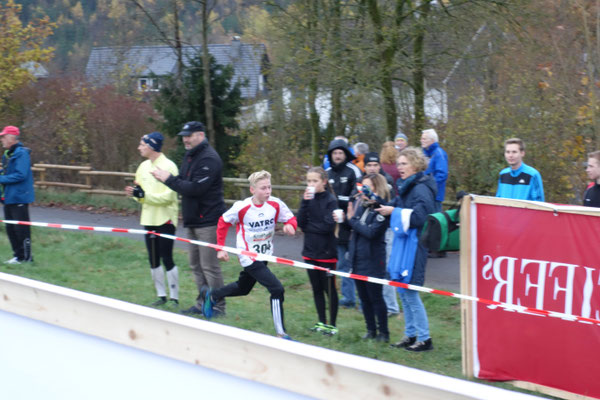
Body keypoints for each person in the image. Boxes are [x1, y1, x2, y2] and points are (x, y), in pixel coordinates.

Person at [203, 171, 297, 339]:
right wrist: (220, 248)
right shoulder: (242, 207)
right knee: (277, 289)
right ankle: (281, 333)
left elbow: (290, 218)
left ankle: (213, 295)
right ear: (252, 190)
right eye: (263, 188)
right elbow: (223, 222)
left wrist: (291, 226)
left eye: (269, 187)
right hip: (248, 256)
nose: (268, 191)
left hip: (265, 255)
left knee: (243, 288)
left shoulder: (275, 204)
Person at [151, 121, 226, 316]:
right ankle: (203, 304)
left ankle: (217, 307)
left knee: (210, 266)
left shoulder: (210, 159)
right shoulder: (190, 156)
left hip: (208, 221)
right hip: (193, 219)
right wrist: (167, 179)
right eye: (183, 135)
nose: (185, 139)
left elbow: (195, 189)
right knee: (196, 265)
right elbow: (183, 183)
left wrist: (168, 179)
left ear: (200, 135)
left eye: (189, 135)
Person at [377, 147, 437, 352]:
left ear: (415, 165)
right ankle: (410, 334)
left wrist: (394, 211)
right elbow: (395, 204)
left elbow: (420, 217)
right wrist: (377, 203)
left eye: (403, 164)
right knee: (402, 289)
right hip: (405, 244)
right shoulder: (406, 185)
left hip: (416, 246)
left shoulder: (421, 188)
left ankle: (425, 338)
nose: (399, 167)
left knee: (410, 292)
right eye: (398, 164)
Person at [125, 132, 179, 307]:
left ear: (152, 146)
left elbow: (169, 197)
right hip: (148, 218)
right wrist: (136, 195)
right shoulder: (142, 167)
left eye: (142, 144)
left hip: (165, 219)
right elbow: (139, 193)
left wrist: (145, 197)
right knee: (153, 258)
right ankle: (161, 296)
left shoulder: (169, 166)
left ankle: (174, 297)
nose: (139, 147)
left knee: (167, 257)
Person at [346, 173, 391, 342]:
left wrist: (353, 222)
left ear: (376, 188)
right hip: (358, 258)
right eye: (361, 186)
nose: (362, 191)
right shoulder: (362, 205)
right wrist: (353, 221)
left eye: (367, 187)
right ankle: (370, 329)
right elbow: (357, 227)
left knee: (376, 297)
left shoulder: (382, 208)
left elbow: (371, 232)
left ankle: (384, 333)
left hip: (373, 259)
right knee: (363, 297)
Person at [297, 167, 339, 335]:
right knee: (316, 288)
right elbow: (301, 222)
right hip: (309, 251)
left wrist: (310, 227)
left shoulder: (330, 200)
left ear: (323, 181)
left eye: (315, 181)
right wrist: (305, 203)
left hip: (327, 252)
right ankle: (322, 321)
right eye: (309, 181)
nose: (311, 184)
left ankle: (332, 325)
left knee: (329, 289)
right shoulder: (307, 199)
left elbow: (327, 226)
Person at [325, 138, 362, 308]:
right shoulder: (327, 173)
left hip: (353, 224)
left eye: (340, 153)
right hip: (336, 225)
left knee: (358, 263)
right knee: (342, 262)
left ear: (345, 154)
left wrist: (342, 203)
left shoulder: (353, 171)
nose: (338, 156)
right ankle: (348, 299)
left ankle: (363, 300)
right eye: (335, 153)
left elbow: (359, 195)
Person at [362, 152, 400, 316]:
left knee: (386, 269)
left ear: (380, 166)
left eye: (375, 165)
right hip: (370, 230)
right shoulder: (363, 183)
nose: (372, 168)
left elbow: (388, 205)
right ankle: (373, 303)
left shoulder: (387, 182)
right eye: (369, 165)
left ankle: (391, 307)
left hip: (387, 230)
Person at [0, 126, 34, 264]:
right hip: (8, 197)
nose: (1, 139)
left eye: (3, 136)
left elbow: (20, 175)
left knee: (21, 229)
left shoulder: (21, 154)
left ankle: (27, 258)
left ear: (11, 138)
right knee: (10, 228)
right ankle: (18, 256)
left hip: (19, 196)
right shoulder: (7, 155)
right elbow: (6, 174)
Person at [496, 138, 544, 202]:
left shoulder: (532, 175)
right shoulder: (503, 174)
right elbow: (497, 200)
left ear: (522, 153)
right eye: (508, 152)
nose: (510, 155)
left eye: (514, 152)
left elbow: (540, 204)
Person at [420, 129, 448, 212]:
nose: (421, 141)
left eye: (424, 139)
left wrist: (429, 185)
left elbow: (442, 174)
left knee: (434, 221)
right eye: (421, 138)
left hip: (435, 195)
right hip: (424, 194)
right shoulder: (423, 154)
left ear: (432, 140)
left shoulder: (439, 153)